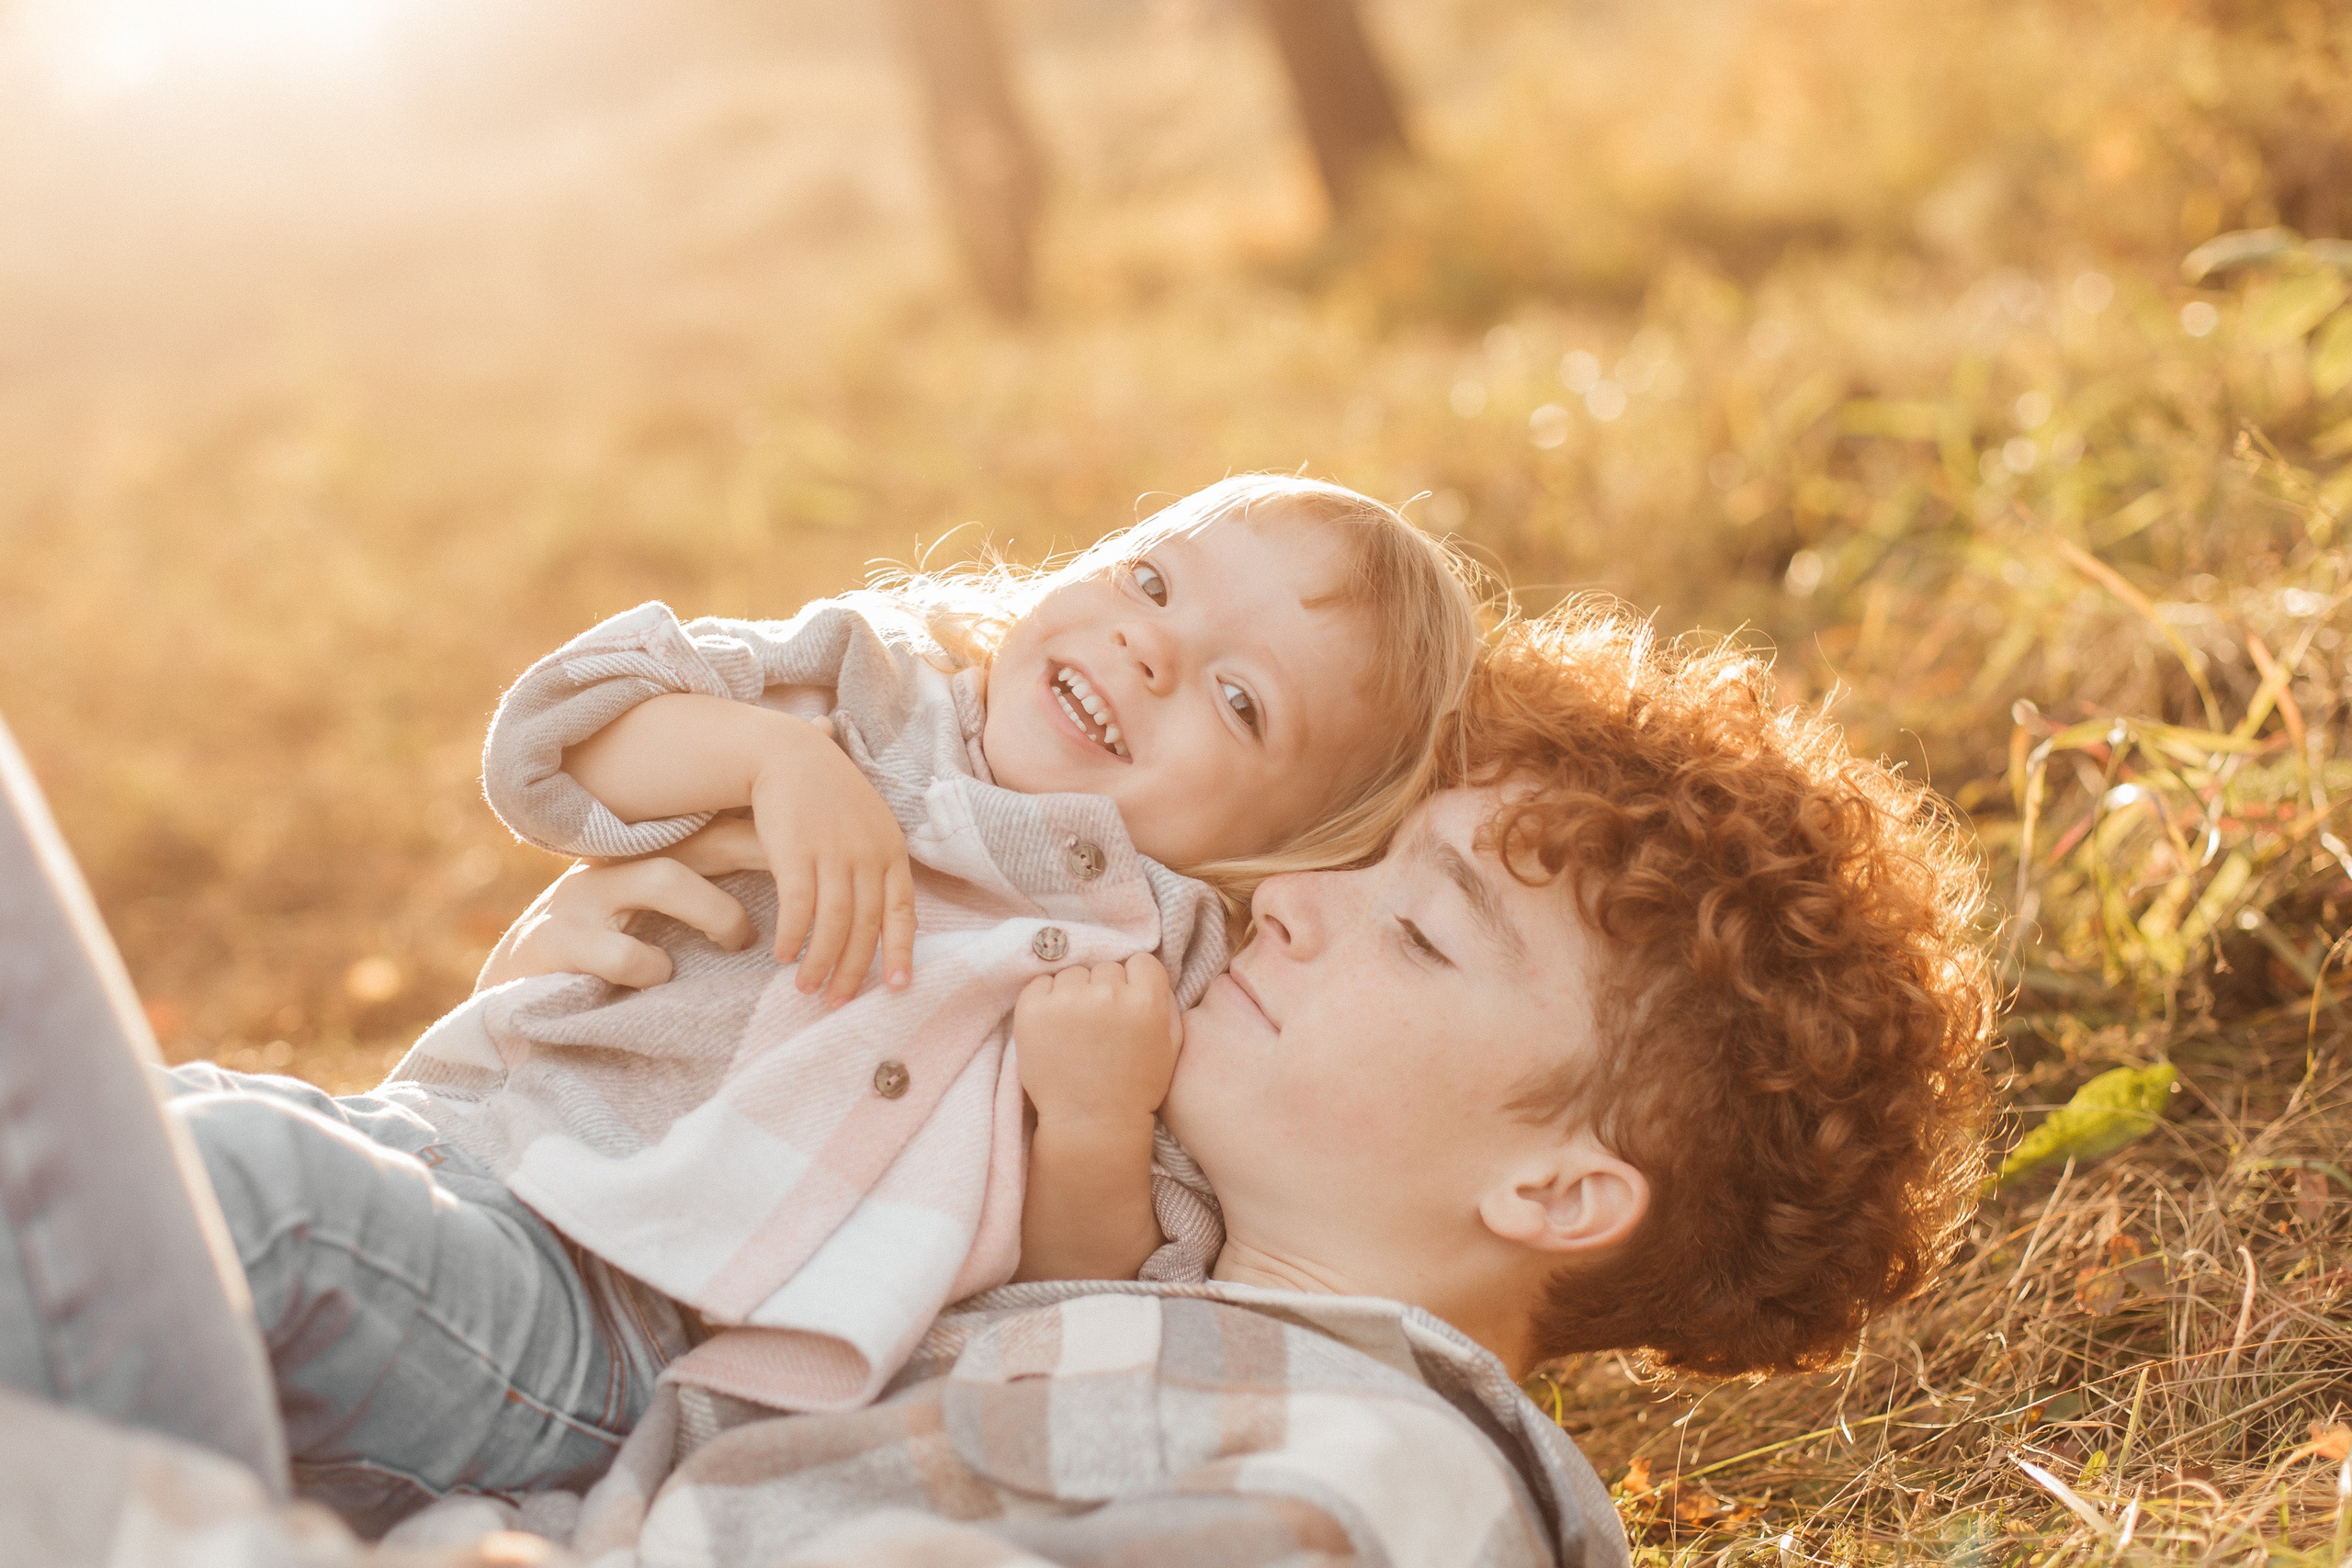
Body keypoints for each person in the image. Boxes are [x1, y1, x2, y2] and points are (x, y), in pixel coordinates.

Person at [0, 602, 1995, 1565]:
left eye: (1418, 930)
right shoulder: (1058, 1232)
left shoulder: (1380, 1478)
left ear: (1560, 1187)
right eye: (1348, 866)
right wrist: (582, 1040)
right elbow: (539, 1347)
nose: (1291, 912)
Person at [160, 474, 1485, 1531]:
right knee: (138, 1128)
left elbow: (1076, 1304)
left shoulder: (1157, 977)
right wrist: (770, 755)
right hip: (444, 1142)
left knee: (240, 1197)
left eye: (1238, 699)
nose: (1150, 650)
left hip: (613, 1323)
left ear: (1283, 841)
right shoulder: (865, 688)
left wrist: (1093, 1115)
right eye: (1151, 581)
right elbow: (556, 733)